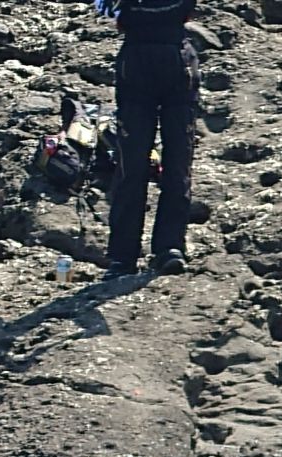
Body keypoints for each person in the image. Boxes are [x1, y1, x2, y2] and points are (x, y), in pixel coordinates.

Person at [99, 0, 199, 278]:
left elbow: (105, 9)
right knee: (175, 160)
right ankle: (166, 248)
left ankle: (126, 256)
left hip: (139, 60)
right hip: (175, 58)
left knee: (134, 163)